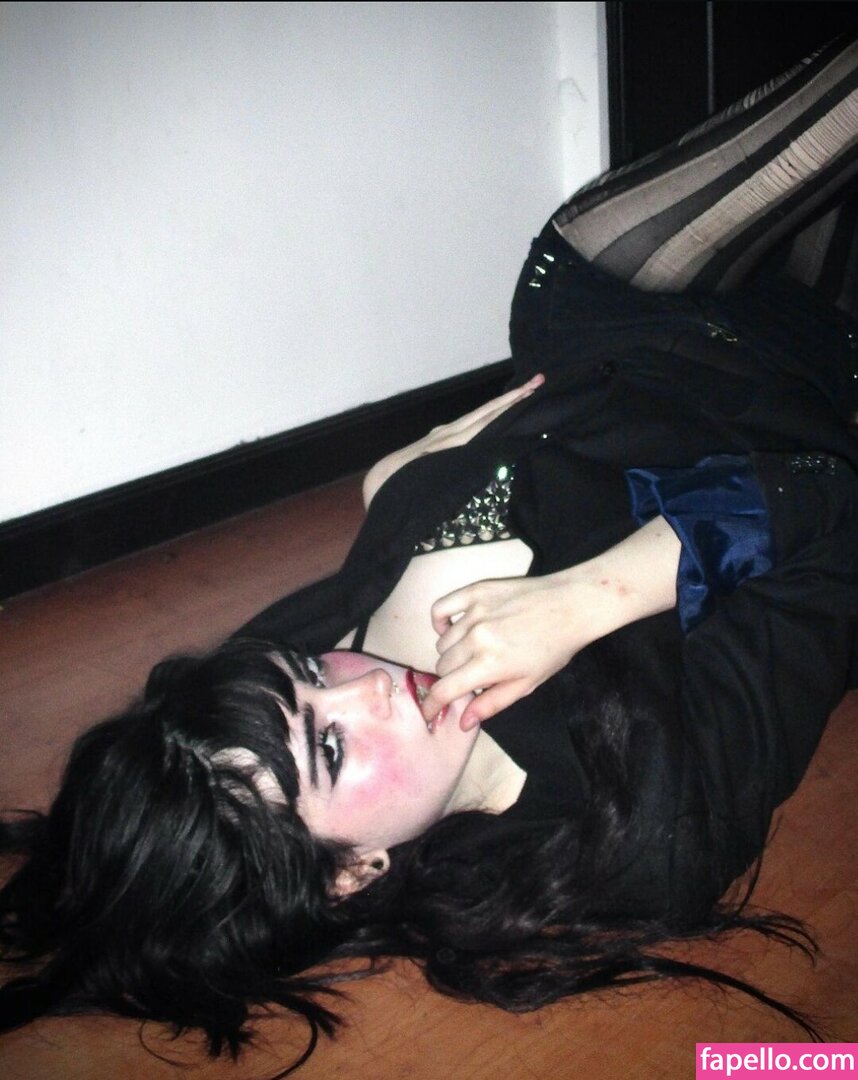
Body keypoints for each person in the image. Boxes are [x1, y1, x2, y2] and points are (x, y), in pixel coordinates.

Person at [2, 32, 858, 1077]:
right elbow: (829, 507)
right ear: (351, 874)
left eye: (308, 672)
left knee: (719, 178)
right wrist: (590, 599)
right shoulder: (646, 823)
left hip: (610, 326)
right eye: (329, 750)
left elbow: (377, 569)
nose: (364, 686)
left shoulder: (279, 699)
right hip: (803, 393)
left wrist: (394, 483)